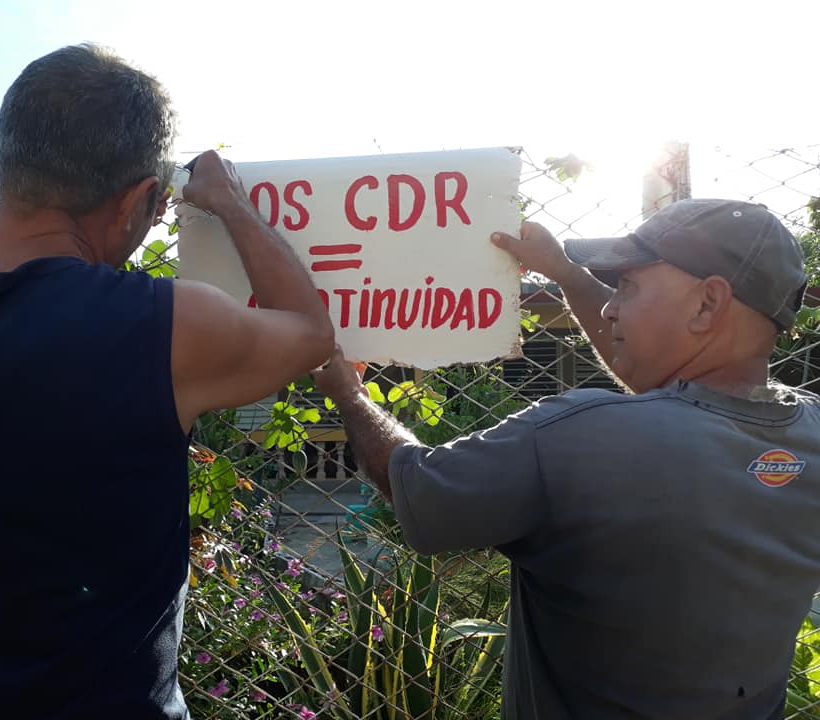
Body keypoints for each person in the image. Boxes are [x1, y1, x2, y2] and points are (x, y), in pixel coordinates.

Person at [0, 45, 333, 719]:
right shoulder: (169, 326)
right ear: (142, 198)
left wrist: (6, 219)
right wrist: (229, 204)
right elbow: (310, 331)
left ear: (4, 160)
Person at [313, 198, 820, 719]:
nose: (610, 307)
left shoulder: (579, 435)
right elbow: (676, 387)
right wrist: (566, 274)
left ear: (708, 304)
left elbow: (415, 488)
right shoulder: (810, 433)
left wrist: (350, 395)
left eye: (627, 285)